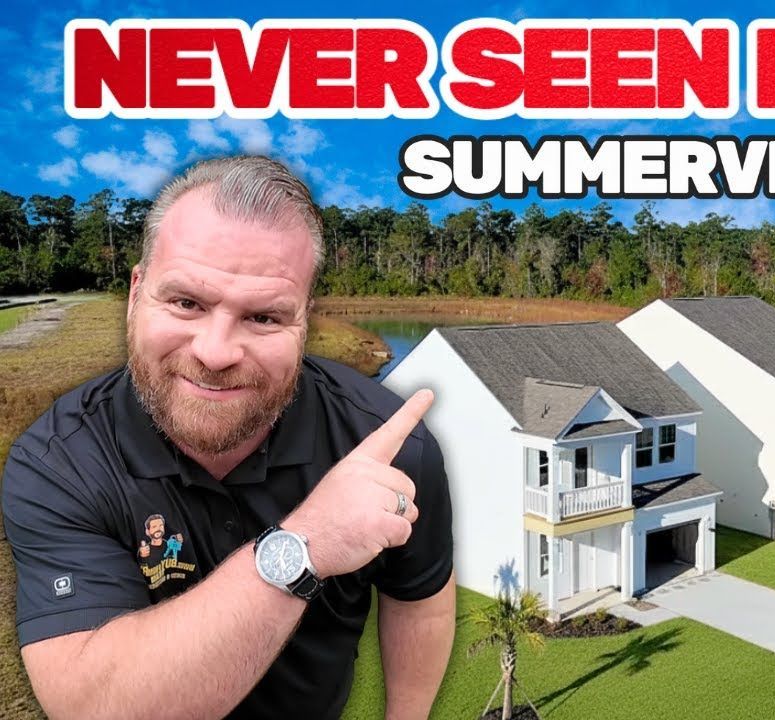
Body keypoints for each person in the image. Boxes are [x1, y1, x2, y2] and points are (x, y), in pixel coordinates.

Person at [1, 156, 455, 719]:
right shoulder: (60, 462)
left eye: (264, 318)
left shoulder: (389, 445)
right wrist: (306, 546)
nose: (216, 353)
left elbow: (421, 599)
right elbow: (95, 706)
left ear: (304, 322)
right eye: (187, 302)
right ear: (136, 292)